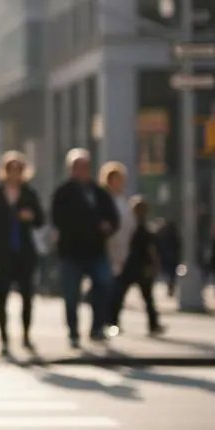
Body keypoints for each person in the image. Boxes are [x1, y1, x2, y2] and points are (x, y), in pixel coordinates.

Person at [0, 151, 45, 356]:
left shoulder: (29, 194)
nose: (15, 173)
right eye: (11, 169)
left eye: (18, 169)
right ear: (5, 171)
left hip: (24, 253)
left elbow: (41, 220)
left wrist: (30, 216)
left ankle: (25, 335)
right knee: (2, 297)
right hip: (2, 254)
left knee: (27, 297)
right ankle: (5, 339)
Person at [51, 148, 119, 348]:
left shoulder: (98, 192)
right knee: (71, 295)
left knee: (104, 285)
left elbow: (113, 218)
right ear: (71, 169)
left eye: (85, 166)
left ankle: (97, 328)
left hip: (96, 250)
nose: (81, 170)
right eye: (77, 166)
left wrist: (107, 226)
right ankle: (73, 332)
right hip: (71, 252)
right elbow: (57, 219)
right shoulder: (63, 192)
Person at [114, 196, 164, 335]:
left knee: (145, 297)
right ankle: (113, 323)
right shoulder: (130, 226)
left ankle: (152, 324)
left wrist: (154, 264)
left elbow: (151, 249)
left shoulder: (143, 227)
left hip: (139, 266)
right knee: (122, 295)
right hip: (131, 265)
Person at [100, 161, 134, 332]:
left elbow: (129, 225)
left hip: (123, 249)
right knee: (107, 287)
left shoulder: (123, 200)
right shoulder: (104, 199)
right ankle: (105, 320)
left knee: (119, 288)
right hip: (107, 249)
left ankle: (113, 319)